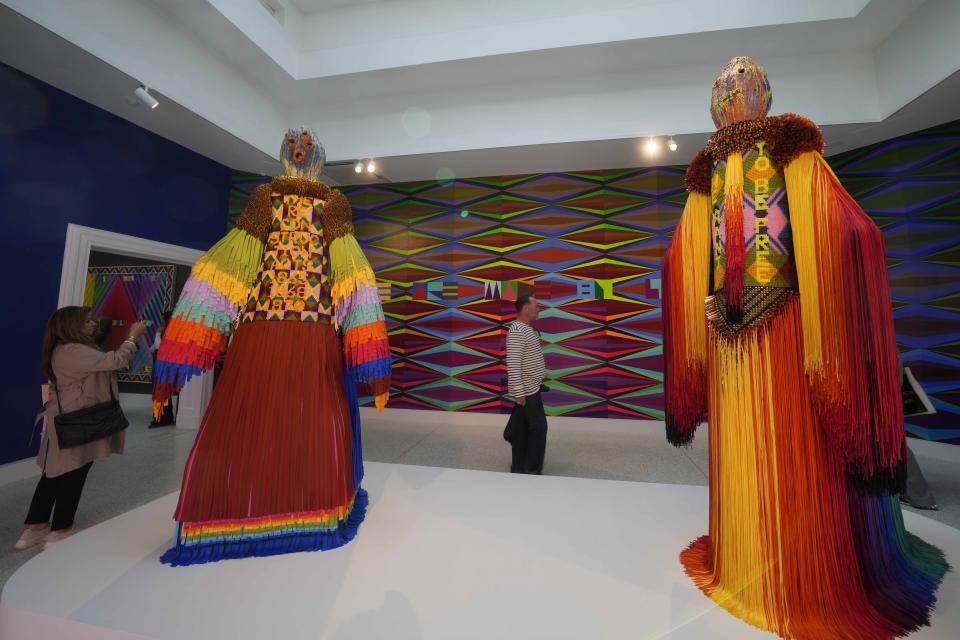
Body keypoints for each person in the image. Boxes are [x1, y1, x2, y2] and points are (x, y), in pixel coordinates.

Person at [661, 56, 947, 637]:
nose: (733, 88)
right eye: (726, 85)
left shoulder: (786, 153)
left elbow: (847, 229)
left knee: (796, 451)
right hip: (746, 342)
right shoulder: (711, 178)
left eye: (740, 83)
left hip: (779, 337)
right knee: (759, 452)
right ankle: (755, 560)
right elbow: (686, 258)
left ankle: (797, 572)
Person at [151, 128, 390, 565]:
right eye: (297, 148)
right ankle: (306, 513)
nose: (299, 153)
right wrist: (365, 341)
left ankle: (230, 519)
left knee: (254, 417)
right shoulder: (328, 203)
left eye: (303, 148)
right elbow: (352, 274)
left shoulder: (267, 198)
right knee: (311, 419)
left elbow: (230, 267)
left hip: (264, 326)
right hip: (310, 329)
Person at [14, 307, 146, 551]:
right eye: (87, 321)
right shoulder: (72, 351)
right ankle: (60, 529)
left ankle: (36, 526)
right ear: (72, 327)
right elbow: (114, 360)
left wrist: (108, 327)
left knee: (54, 473)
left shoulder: (66, 349)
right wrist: (132, 336)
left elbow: (96, 353)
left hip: (69, 418)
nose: (92, 323)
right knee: (73, 474)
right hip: (78, 419)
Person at [505, 294, 548, 474]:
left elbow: (527, 359)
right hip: (527, 391)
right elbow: (514, 364)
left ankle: (519, 467)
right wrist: (520, 393)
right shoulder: (517, 331)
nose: (539, 309)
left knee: (522, 431)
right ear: (525, 308)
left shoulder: (525, 329)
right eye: (536, 306)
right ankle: (532, 470)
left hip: (532, 386)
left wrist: (539, 375)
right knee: (539, 428)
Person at [148, 312, 175, 428]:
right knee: (163, 393)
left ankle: (159, 419)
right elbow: (153, 348)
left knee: (161, 392)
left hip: (163, 369)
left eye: (163, 320)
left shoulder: (169, 333)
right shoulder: (169, 332)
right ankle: (166, 417)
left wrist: (158, 333)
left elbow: (159, 346)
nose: (161, 322)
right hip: (162, 368)